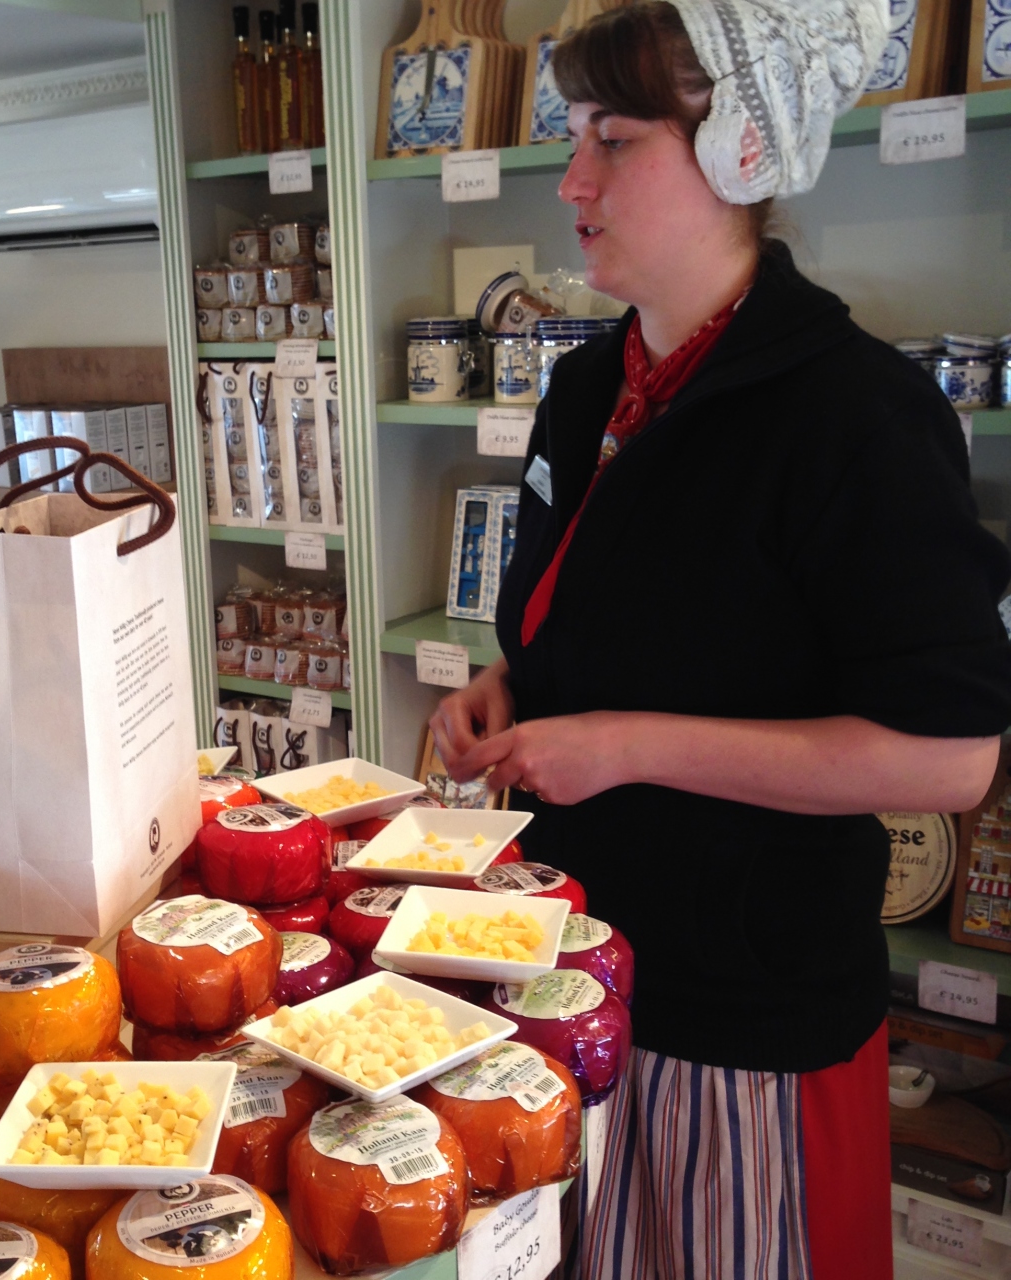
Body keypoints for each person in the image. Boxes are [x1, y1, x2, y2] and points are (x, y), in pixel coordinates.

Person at [430, 2, 1011, 1275]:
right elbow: (608, 618)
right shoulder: (585, 388)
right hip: (566, 972)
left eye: (615, 138)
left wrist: (624, 744)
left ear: (743, 148)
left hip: (740, 1022)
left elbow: (947, 755)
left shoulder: (856, 416)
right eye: (572, 134)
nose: (570, 179)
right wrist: (506, 683)